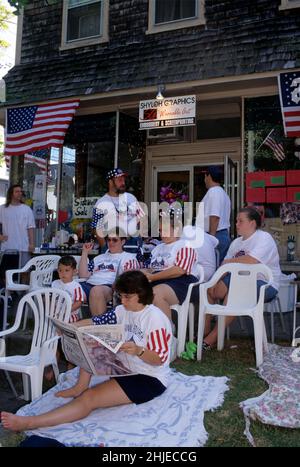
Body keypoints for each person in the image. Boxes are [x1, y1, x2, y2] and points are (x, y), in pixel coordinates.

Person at [1, 270, 172, 432]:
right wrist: (72, 327)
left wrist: (139, 350)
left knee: (90, 398)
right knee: (89, 341)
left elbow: (160, 359)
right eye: (121, 296)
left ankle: (30, 422)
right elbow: (97, 321)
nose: (122, 301)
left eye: (127, 297)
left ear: (142, 294)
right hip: (128, 365)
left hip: (149, 377)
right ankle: (80, 386)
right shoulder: (122, 310)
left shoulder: (155, 318)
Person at [202, 206, 281, 350]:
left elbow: (251, 260)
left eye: (240, 221)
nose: (236, 224)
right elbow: (224, 266)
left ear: (252, 223)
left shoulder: (264, 238)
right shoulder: (236, 243)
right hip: (238, 280)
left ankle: (211, 338)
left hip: (265, 284)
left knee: (235, 294)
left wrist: (228, 263)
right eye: (236, 220)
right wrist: (215, 280)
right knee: (211, 291)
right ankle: (205, 331)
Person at [142, 209, 201, 319]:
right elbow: (149, 268)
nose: (161, 233)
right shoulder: (158, 248)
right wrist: (142, 273)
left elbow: (180, 270)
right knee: (133, 291)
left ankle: (167, 332)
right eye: (160, 230)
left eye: (164, 229)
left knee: (155, 293)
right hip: (159, 280)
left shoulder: (185, 245)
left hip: (182, 282)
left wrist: (153, 277)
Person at [78, 228, 140, 316]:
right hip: (89, 284)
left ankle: (100, 328)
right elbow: (83, 275)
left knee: (96, 291)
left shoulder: (128, 258)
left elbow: (129, 279)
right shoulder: (99, 258)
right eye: (109, 240)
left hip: (109, 286)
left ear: (123, 242)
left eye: (115, 240)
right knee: (66, 289)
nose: (111, 242)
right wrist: (85, 252)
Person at [91, 168, 144, 250]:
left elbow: (141, 219)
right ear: (110, 182)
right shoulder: (101, 203)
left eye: (123, 180)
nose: (123, 183)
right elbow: (97, 229)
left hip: (133, 243)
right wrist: (105, 248)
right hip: (113, 243)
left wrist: (139, 239)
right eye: (119, 180)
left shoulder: (131, 198)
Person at [0, 184, 36, 286]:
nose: (20, 193)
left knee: (25, 271)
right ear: (11, 193)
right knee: (6, 272)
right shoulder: (2, 209)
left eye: (21, 191)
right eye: (17, 191)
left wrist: (32, 243)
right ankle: (10, 294)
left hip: (23, 246)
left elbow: (31, 227)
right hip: (7, 247)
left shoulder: (26, 209)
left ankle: (22, 292)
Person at [201, 166, 231, 263]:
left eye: (205, 176)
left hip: (215, 235)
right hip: (219, 234)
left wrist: (211, 240)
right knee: (218, 268)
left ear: (208, 176)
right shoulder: (222, 193)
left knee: (213, 269)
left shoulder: (214, 192)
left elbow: (214, 216)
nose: (204, 180)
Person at [51, 255, 85, 323]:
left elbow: (79, 302)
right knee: (53, 325)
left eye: (67, 270)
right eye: (60, 270)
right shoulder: (55, 284)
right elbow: (51, 297)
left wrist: (66, 311)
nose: (63, 273)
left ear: (74, 271)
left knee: (68, 329)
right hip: (56, 314)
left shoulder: (76, 286)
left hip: (70, 315)